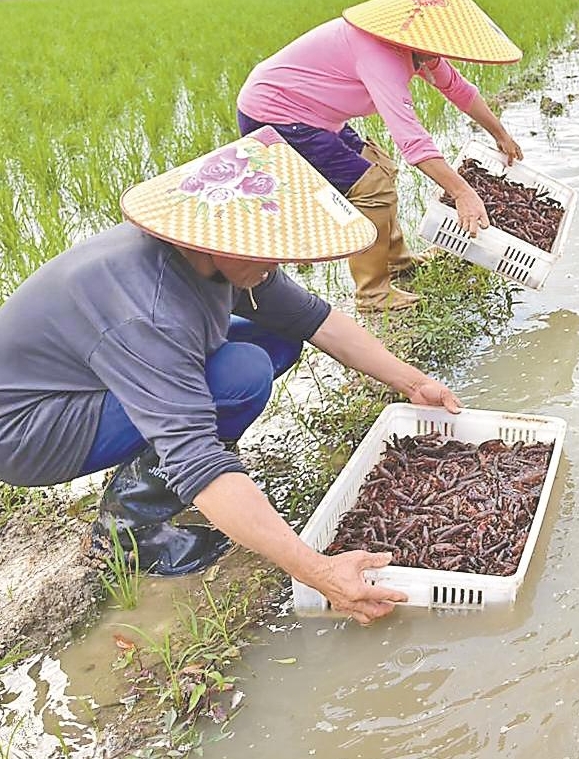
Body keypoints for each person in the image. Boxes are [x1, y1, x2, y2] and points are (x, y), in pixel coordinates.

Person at [0, 129, 461, 624]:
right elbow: (195, 455)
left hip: (89, 376)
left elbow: (315, 320)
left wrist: (412, 382)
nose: (279, 265)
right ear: (221, 241)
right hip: (29, 431)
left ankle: (162, 473)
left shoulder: (218, 256)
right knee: (238, 375)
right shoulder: (152, 311)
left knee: (276, 338)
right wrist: (320, 572)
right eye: (270, 253)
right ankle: (127, 532)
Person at [237, 0, 525, 313]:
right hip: (276, 116)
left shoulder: (421, 51)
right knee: (371, 187)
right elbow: (412, 141)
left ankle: (397, 265)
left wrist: (500, 133)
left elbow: (460, 90)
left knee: (381, 168)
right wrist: (462, 192)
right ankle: (372, 294)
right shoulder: (381, 54)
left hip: (314, 116)